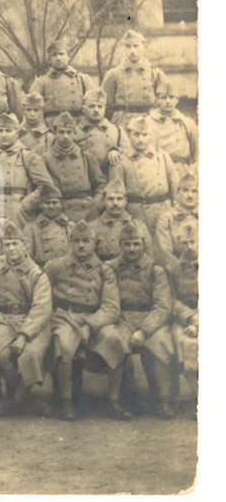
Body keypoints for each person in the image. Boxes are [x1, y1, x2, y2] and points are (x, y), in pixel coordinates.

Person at [44, 220, 127, 421]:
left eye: (86, 241)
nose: (81, 245)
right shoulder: (55, 266)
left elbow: (111, 307)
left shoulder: (104, 270)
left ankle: (113, 400)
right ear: (69, 242)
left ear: (94, 243)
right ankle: (66, 401)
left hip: (95, 318)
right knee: (64, 343)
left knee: (114, 339)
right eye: (77, 241)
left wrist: (91, 324)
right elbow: (44, 298)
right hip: (65, 317)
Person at [0, 221, 53, 416]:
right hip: (4, 320)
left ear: (25, 245)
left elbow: (42, 309)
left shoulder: (36, 273)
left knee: (30, 354)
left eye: (15, 244)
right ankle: (25, 399)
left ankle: (15, 401)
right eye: (7, 244)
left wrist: (23, 335)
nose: (11, 248)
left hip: (32, 322)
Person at [109, 219, 175, 418]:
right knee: (116, 341)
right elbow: (108, 300)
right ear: (120, 245)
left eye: (136, 244)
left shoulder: (155, 270)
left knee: (161, 342)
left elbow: (163, 306)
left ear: (143, 244)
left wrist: (144, 330)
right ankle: (123, 400)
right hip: (121, 317)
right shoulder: (111, 268)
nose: (131, 249)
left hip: (150, 318)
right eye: (127, 244)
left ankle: (161, 400)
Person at [109, 116, 179, 234]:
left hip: (163, 211)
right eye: (136, 135)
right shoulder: (121, 160)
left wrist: (176, 210)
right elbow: (116, 192)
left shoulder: (161, 156)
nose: (140, 139)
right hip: (136, 214)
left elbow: (175, 185)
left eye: (144, 135)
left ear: (150, 136)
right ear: (129, 134)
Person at [0, 111, 55, 225]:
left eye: (8, 131)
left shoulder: (28, 156)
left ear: (17, 133)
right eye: (0, 131)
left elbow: (46, 186)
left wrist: (26, 205)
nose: (4, 135)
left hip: (20, 215)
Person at [43, 111, 106, 223]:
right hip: (59, 212)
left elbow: (101, 185)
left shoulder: (86, 156)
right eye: (61, 132)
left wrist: (95, 205)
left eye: (69, 132)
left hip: (87, 212)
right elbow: (40, 188)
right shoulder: (46, 159)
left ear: (74, 133)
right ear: (55, 133)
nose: (65, 137)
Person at [101, 29, 169, 129]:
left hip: (150, 121)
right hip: (123, 122)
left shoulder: (155, 74)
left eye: (136, 46)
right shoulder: (113, 75)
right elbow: (105, 106)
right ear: (123, 49)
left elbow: (166, 102)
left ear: (143, 47)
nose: (132, 50)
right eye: (128, 46)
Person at [28, 40, 98, 127]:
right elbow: (32, 108)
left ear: (69, 57)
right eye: (54, 55)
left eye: (61, 54)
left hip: (78, 125)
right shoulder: (41, 82)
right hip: (51, 126)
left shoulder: (82, 79)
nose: (58, 58)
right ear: (49, 60)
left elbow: (95, 105)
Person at [168, 223, 198, 417]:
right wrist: (189, 318)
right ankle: (197, 395)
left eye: (192, 241)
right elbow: (171, 300)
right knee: (181, 341)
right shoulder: (171, 269)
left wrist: (199, 319)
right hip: (183, 319)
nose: (188, 247)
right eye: (183, 242)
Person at [90, 179, 147, 263]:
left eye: (119, 199)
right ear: (104, 201)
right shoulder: (92, 228)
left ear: (125, 201)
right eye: (111, 199)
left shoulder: (139, 226)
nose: (115, 203)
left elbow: (148, 259)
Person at [77, 88, 129, 178]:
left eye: (100, 106)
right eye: (91, 106)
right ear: (83, 109)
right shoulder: (75, 131)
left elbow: (129, 152)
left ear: (105, 109)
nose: (96, 110)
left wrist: (116, 150)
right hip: (85, 180)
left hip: (111, 179)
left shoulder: (117, 130)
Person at [148, 81, 197, 176]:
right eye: (163, 98)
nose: (168, 101)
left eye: (171, 97)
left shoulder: (188, 123)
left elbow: (196, 154)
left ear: (177, 99)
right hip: (155, 171)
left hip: (182, 172)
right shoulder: (147, 122)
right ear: (156, 100)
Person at [154, 171, 198, 271]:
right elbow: (165, 252)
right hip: (178, 271)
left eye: (194, 191)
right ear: (178, 192)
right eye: (185, 190)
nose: (190, 195)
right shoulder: (166, 218)